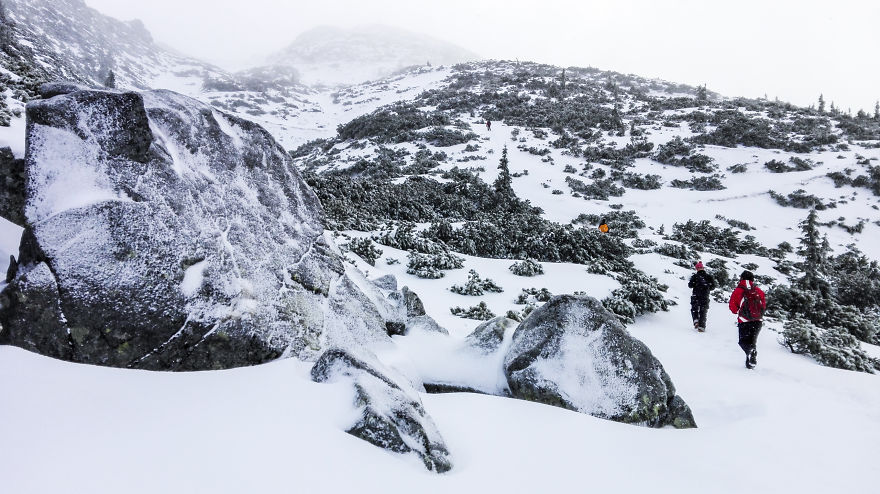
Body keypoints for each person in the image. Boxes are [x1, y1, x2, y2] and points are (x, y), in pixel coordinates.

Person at [728, 270, 766, 369]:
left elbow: (732, 307)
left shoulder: (738, 290)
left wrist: (739, 311)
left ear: (741, 278)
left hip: (744, 321)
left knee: (743, 342)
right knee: (752, 342)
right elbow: (763, 305)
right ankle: (750, 364)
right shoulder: (759, 290)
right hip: (758, 321)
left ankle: (750, 354)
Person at [688, 261, 715, 332]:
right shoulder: (708, 277)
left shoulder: (694, 276)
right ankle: (701, 327)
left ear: (696, 269)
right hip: (704, 296)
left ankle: (696, 320)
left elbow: (690, 285)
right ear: (703, 268)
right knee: (703, 311)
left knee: (694, 309)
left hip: (695, 295)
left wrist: (695, 284)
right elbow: (713, 286)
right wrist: (707, 287)